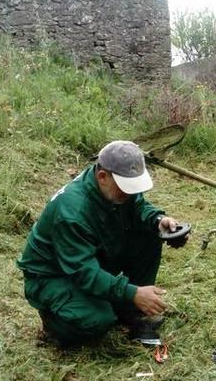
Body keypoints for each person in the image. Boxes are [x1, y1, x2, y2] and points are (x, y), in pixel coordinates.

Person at [16, 140, 188, 347]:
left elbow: (138, 206)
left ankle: (129, 311)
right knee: (97, 321)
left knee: (150, 233)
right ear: (102, 177)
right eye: (126, 189)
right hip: (53, 275)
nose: (130, 193)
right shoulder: (71, 212)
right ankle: (54, 323)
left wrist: (158, 220)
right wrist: (131, 292)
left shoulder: (116, 188)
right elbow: (83, 272)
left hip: (89, 255)